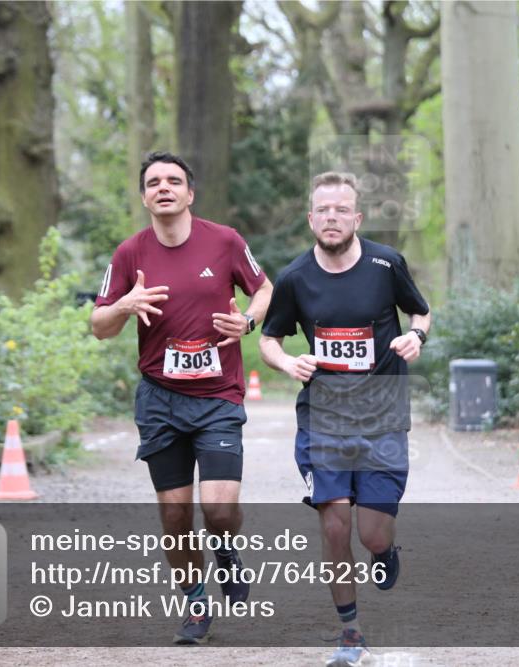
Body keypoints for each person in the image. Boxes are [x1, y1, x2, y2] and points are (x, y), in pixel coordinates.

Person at [90, 151, 272, 645]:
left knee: (218, 513)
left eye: (174, 180)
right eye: (153, 182)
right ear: (145, 196)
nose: (163, 187)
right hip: (161, 400)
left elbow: (264, 287)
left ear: (190, 193)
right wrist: (125, 305)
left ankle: (227, 551)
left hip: (217, 398)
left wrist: (249, 322)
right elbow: (99, 327)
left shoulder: (225, 241)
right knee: (174, 516)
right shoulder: (130, 254)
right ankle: (195, 603)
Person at [259, 171, 431, 667]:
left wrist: (416, 338)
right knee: (334, 523)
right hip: (324, 418)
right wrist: (288, 362)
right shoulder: (294, 277)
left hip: (382, 416)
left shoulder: (385, 264)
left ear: (356, 217)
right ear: (311, 218)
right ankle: (350, 632)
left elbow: (421, 312)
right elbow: (270, 339)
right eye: (322, 210)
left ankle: (384, 553)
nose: (331, 217)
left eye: (341, 210)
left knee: (372, 533)